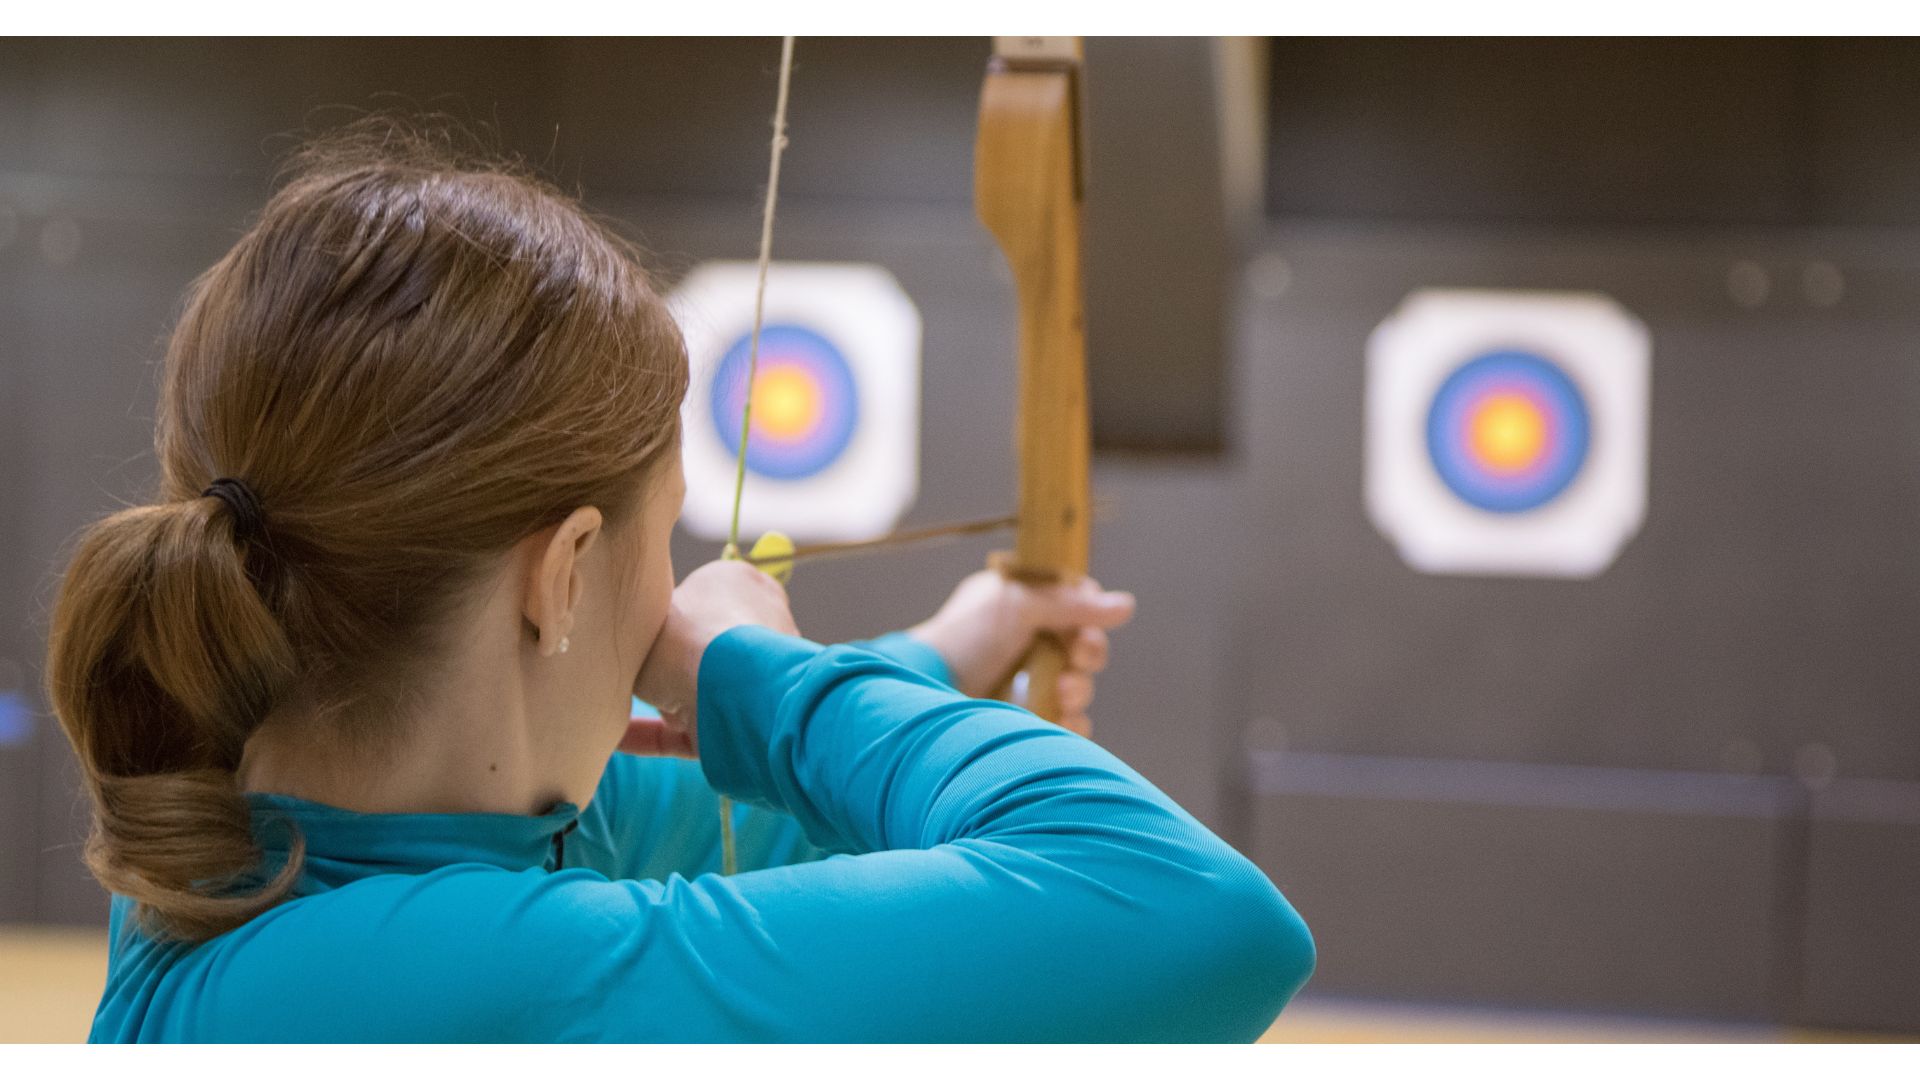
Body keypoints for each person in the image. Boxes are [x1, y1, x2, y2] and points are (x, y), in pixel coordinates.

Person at [44, 121, 1315, 1043]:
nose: (681, 586)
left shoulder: (258, 837)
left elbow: (718, 814)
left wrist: (948, 649)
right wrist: (752, 669)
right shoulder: (467, 982)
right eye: (666, 540)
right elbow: (1197, 915)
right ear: (564, 575)